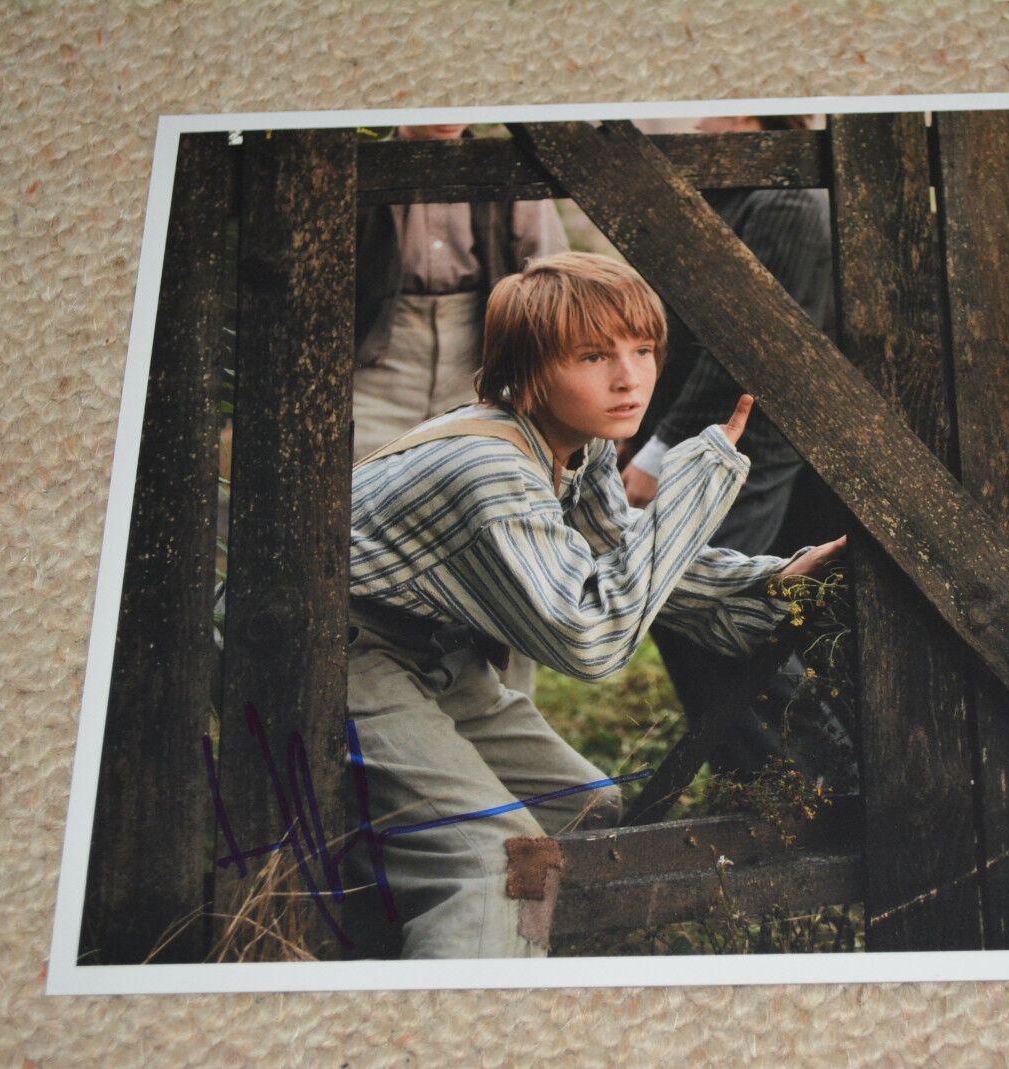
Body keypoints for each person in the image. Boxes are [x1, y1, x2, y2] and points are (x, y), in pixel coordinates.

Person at [345, 252, 845, 958]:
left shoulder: (576, 446)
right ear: (526, 370)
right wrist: (691, 490)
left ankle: (474, 945)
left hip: (432, 654)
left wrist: (776, 582)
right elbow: (590, 637)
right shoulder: (489, 468)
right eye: (591, 355)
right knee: (500, 865)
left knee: (585, 811)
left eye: (642, 349)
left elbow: (623, 555)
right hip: (339, 658)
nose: (630, 376)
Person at [621, 114, 836, 776]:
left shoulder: (785, 200)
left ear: (749, 111)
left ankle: (813, 772)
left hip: (748, 449)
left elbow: (746, 359)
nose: (677, 118)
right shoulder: (733, 189)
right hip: (718, 441)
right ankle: (759, 778)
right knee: (706, 612)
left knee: (714, 612)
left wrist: (659, 457)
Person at [354, 123, 569, 695]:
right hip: (376, 356)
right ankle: (375, 695)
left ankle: (503, 701)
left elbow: (550, 281)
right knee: (358, 516)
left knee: (500, 521)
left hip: (480, 355)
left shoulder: (505, 166)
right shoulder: (360, 160)